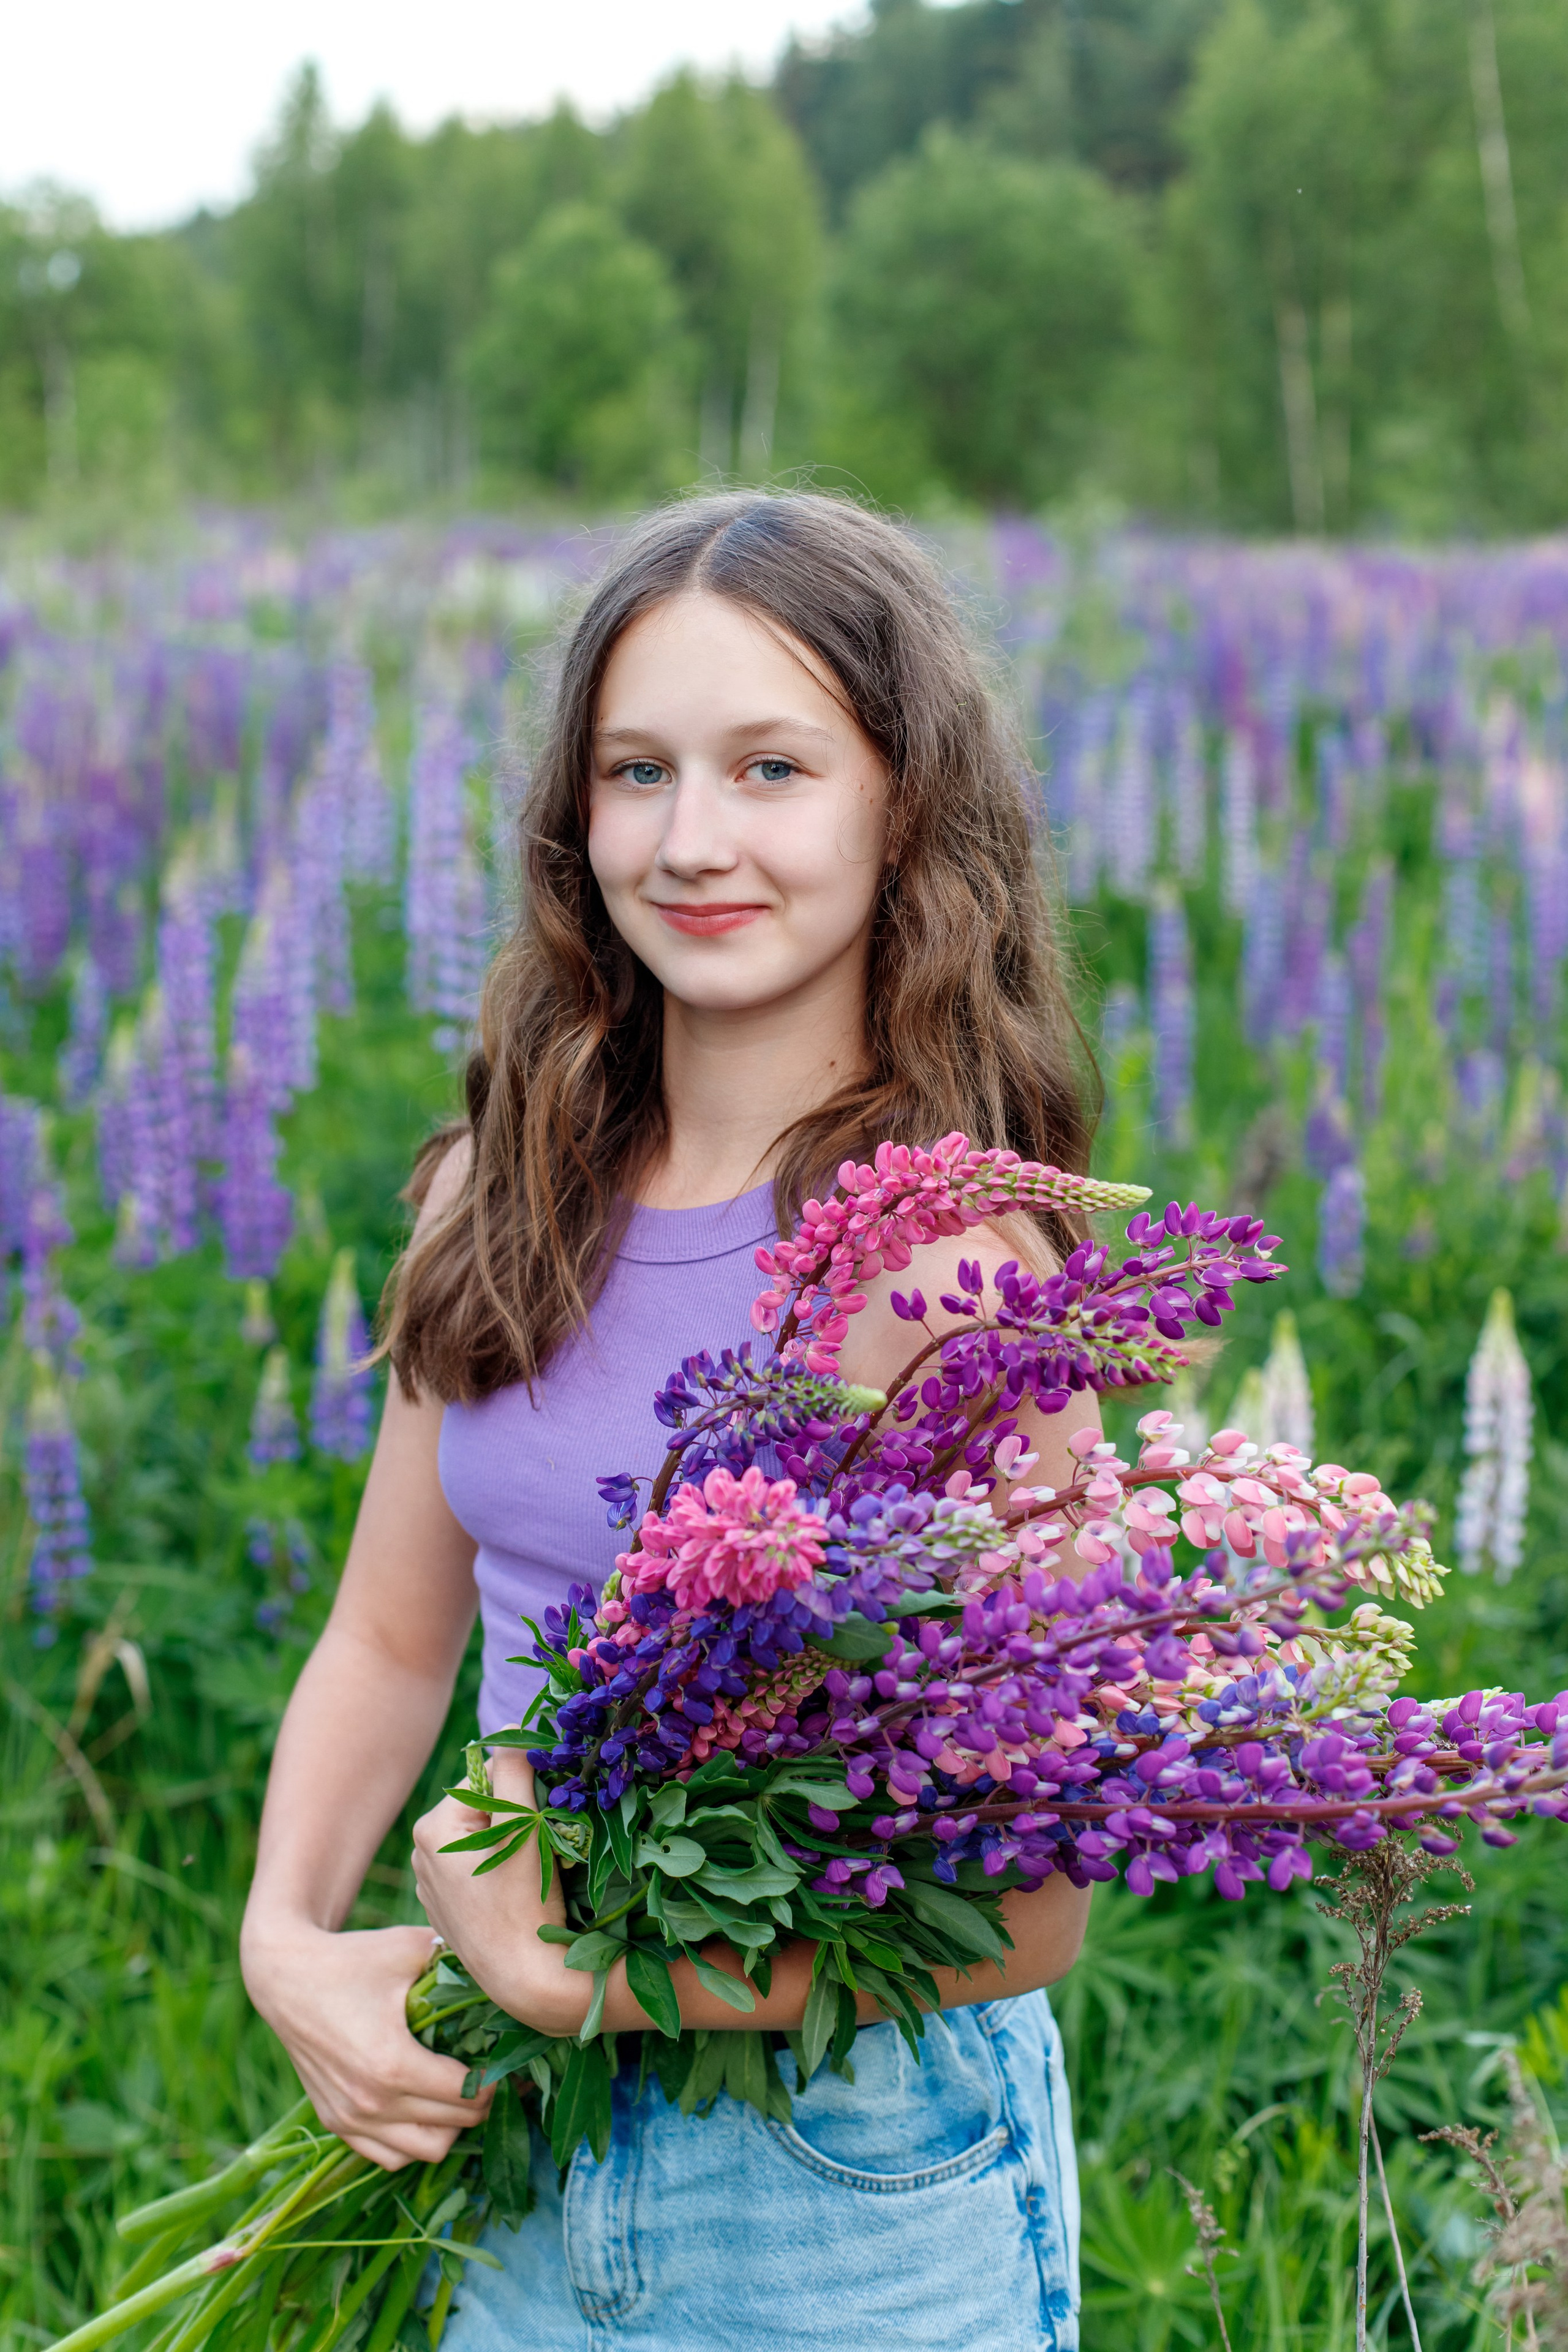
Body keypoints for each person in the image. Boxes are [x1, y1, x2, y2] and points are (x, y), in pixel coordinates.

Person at [241, 491, 1101, 2351]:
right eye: (639, 772)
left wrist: (580, 1979)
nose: (692, 839)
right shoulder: (500, 1186)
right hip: (514, 2147)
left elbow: (1031, 1913)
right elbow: (390, 1639)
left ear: (906, 807)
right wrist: (286, 1940)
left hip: (849, 2176)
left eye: (770, 768)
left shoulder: (958, 1273)